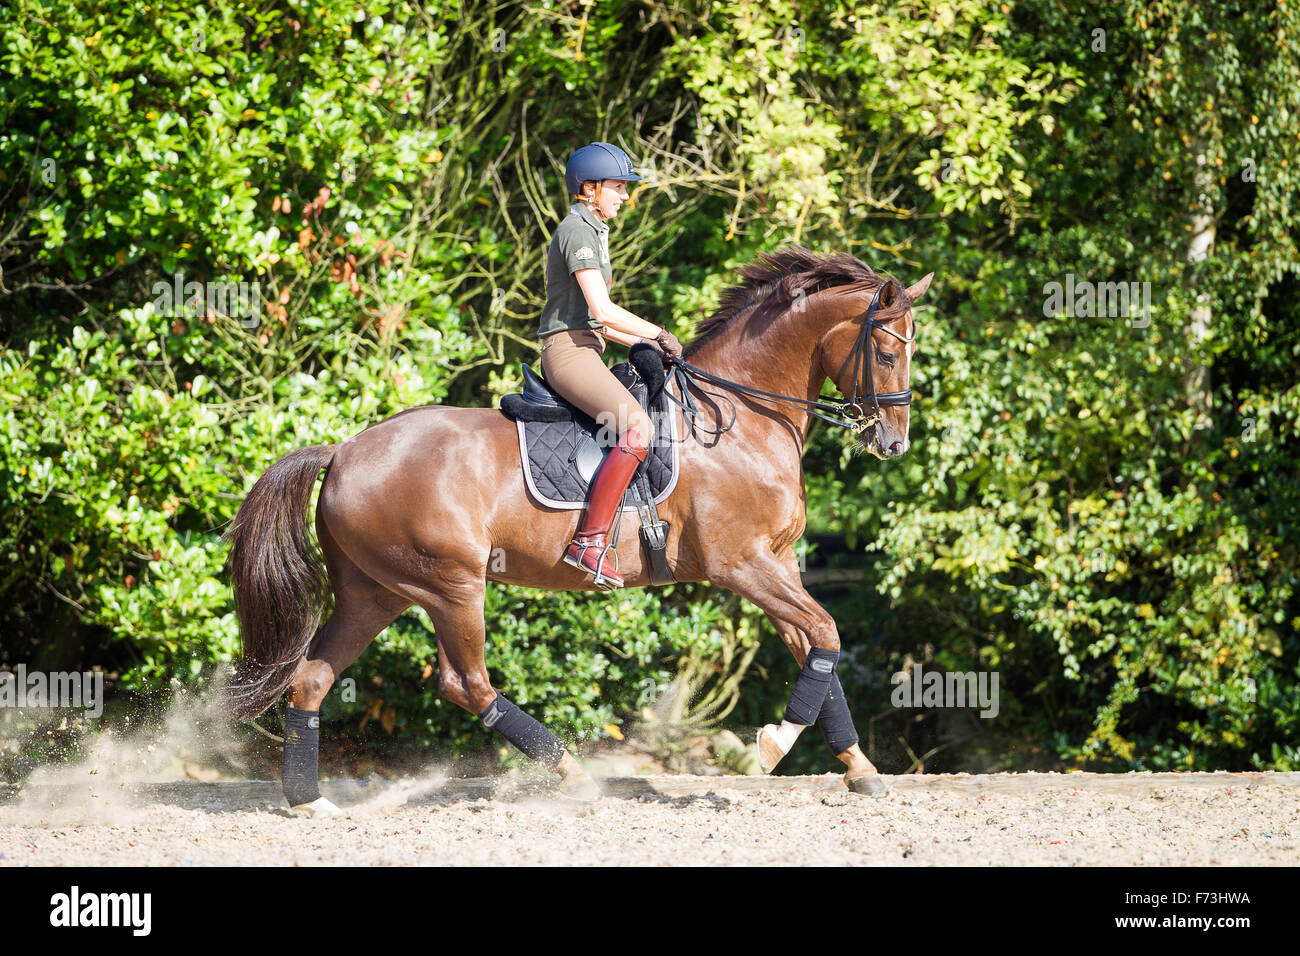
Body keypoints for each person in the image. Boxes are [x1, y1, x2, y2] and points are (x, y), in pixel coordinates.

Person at [538, 142, 683, 590]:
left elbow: (600, 323)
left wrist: (650, 343)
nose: (625, 196)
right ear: (589, 188)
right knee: (637, 427)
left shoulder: (594, 230)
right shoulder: (576, 230)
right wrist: (655, 331)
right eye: (618, 187)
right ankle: (589, 542)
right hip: (567, 352)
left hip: (588, 345)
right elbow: (601, 310)